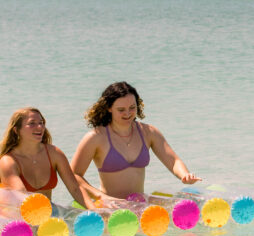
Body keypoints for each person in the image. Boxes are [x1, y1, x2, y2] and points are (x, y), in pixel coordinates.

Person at [71, 82, 201, 201]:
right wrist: (101, 197)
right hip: (111, 210)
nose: (128, 113)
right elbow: (73, 175)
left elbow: (173, 161)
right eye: (121, 110)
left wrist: (184, 175)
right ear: (109, 108)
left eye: (132, 107)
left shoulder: (148, 132)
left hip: (139, 205)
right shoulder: (96, 137)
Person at [0, 107, 104, 209]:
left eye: (41, 123)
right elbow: (21, 196)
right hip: (22, 214)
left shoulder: (54, 153)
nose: (40, 127)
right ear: (16, 130)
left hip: (47, 212)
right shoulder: (9, 161)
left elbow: (75, 189)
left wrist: (94, 210)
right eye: (32, 123)